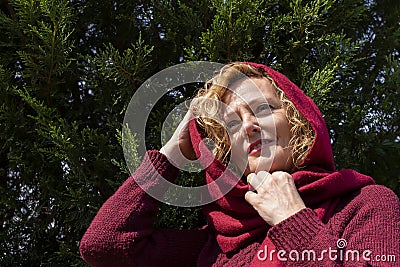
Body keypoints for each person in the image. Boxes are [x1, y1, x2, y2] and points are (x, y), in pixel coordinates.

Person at [79, 62, 400, 266]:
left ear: (298, 119)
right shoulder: (216, 246)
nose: (248, 127)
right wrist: (172, 154)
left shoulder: (365, 205)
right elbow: (105, 245)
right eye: (231, 125)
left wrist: (293, 220)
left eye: (262, 110)